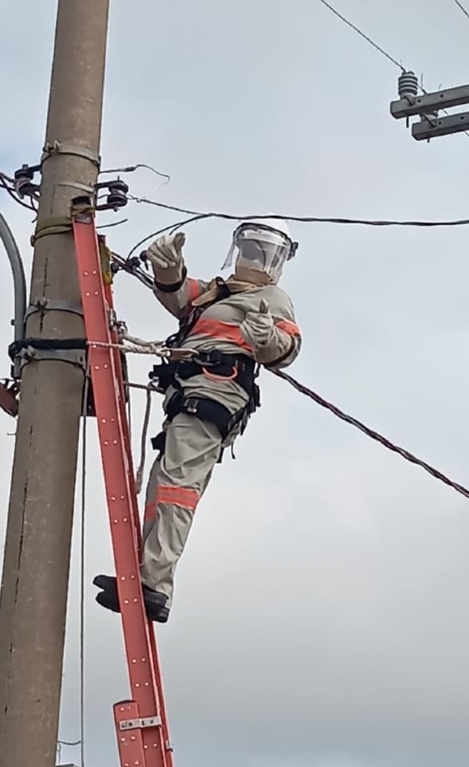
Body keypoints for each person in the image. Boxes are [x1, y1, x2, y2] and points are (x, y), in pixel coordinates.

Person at [93, 218, 302, 622]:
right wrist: (168, 270)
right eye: (250, 249)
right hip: (190, 394)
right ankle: (145, 576)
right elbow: (180, 300)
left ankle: (154, 582)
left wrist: (265, 337)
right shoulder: (217, 293)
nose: (254, 259)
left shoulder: (272, 298)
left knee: (176, 489)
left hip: (213, 395)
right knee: (164, 484)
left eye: (264, 252)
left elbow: (286, 349)